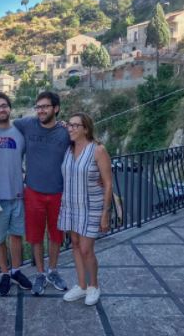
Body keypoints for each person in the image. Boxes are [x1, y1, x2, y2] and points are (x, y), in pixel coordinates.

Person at [13, 91, 71, 296]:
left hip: (58, 193)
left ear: (56, 108)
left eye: (45, 106)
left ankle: (53, 270)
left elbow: (86, 142)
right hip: (33, 192)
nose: (41, 110)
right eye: (38, 107)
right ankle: (39, 273)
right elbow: (3, 125)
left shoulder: (66, 132)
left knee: (56, 235)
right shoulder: (27, 124)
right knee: (36, 237)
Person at [58, 112, 112, 306]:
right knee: (74, 244)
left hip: (91, 207)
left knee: (86, 249)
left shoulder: (98, 150)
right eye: (69, 125)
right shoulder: (69, 149)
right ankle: (81, 285)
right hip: (71, 205)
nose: (71, 129)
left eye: (75, 126)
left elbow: (107, 183)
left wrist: (105, 213)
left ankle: (93, 286)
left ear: (86, 129)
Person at [0, 92, 32, 296]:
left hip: (18, 194)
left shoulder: (20, 132)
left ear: (9, 108)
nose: (1, 109)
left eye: (4, 106)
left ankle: (16, 271)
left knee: (16, 236)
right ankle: (4, 272)